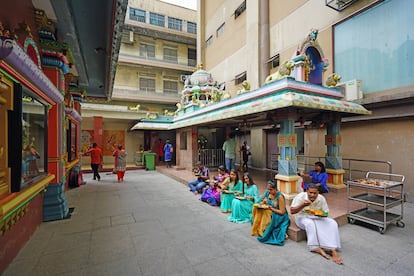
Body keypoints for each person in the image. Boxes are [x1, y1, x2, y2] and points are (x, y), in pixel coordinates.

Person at [290, 183, 344, 265]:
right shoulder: (300, 197)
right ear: (306, 191)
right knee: (310, 224)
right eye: (310, 193)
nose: (312, 195)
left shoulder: (321, 198)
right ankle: (314, 247)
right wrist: (303, 205)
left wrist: (319, 214)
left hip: (316, 217)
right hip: (301, 218)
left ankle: (333, 249)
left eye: (315, 193)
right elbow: (292, 211)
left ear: (318, 193)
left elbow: (326, 214)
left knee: (332, 223)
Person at [251, 180, 290, 245]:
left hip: (279, 215)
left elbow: (282, 212)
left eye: (271, 189)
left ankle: (265, 232)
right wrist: (262, 203)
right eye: (268, 189)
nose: (269, 191)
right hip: (269, 210)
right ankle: (259, 229)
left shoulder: (280, 196)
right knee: (257, 209)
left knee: (266, 213)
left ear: (275, 189)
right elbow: (260, 200)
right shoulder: (268, 193)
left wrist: (271, 208)